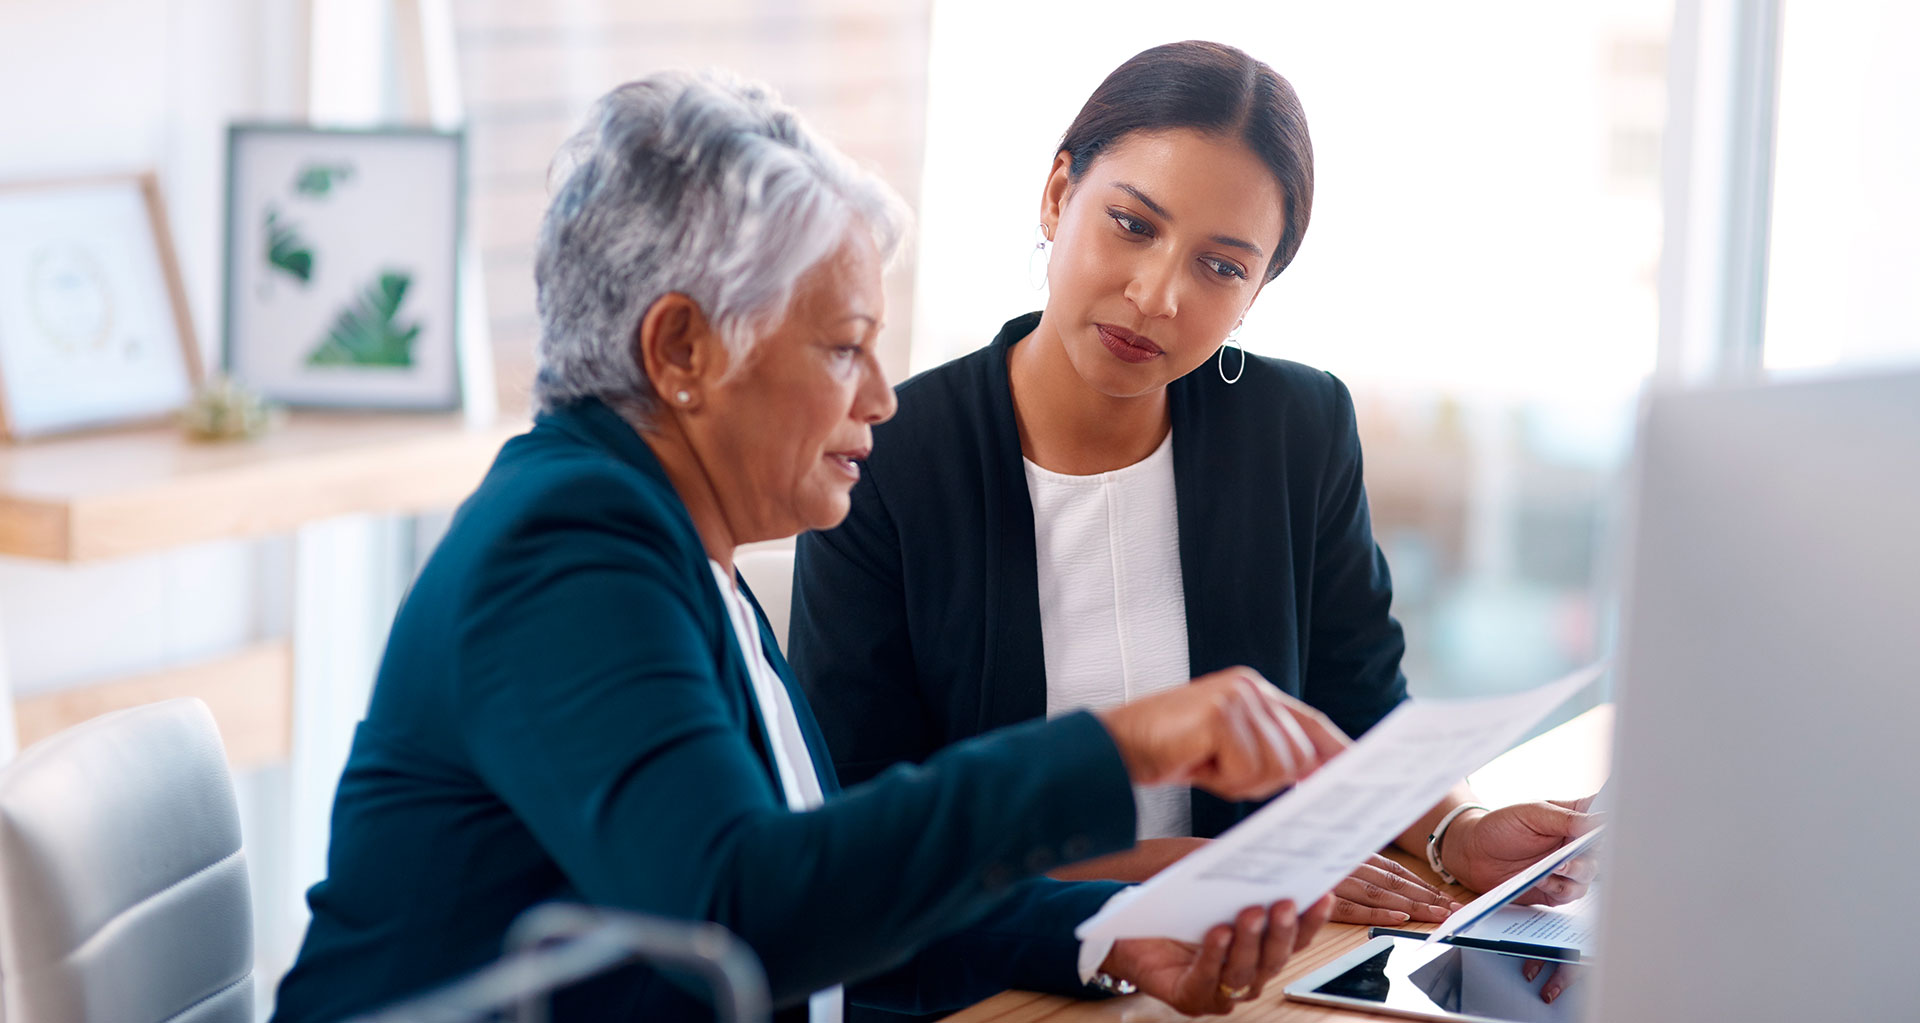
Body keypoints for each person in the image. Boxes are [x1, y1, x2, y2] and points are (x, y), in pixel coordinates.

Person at [267, 70, 1351, 1023]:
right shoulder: (566, 549)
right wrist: (1118, 749)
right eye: (844, 349)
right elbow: (741, 914)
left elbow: (825, 886)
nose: (880, 398)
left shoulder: (683, 549)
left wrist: (1107, 931)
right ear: (682, 349)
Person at [790, 40, 1598, 1000]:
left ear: (1257, 293)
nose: (1159, 295)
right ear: (1058, 196)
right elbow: (860, 828)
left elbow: (1359, 702)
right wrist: (1175, 868)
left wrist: (1455, 832)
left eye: (1220, 266)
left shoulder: (1296, 428)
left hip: (1241, 970)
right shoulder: (886, 453)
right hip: (982, 980)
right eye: (1132, 224)